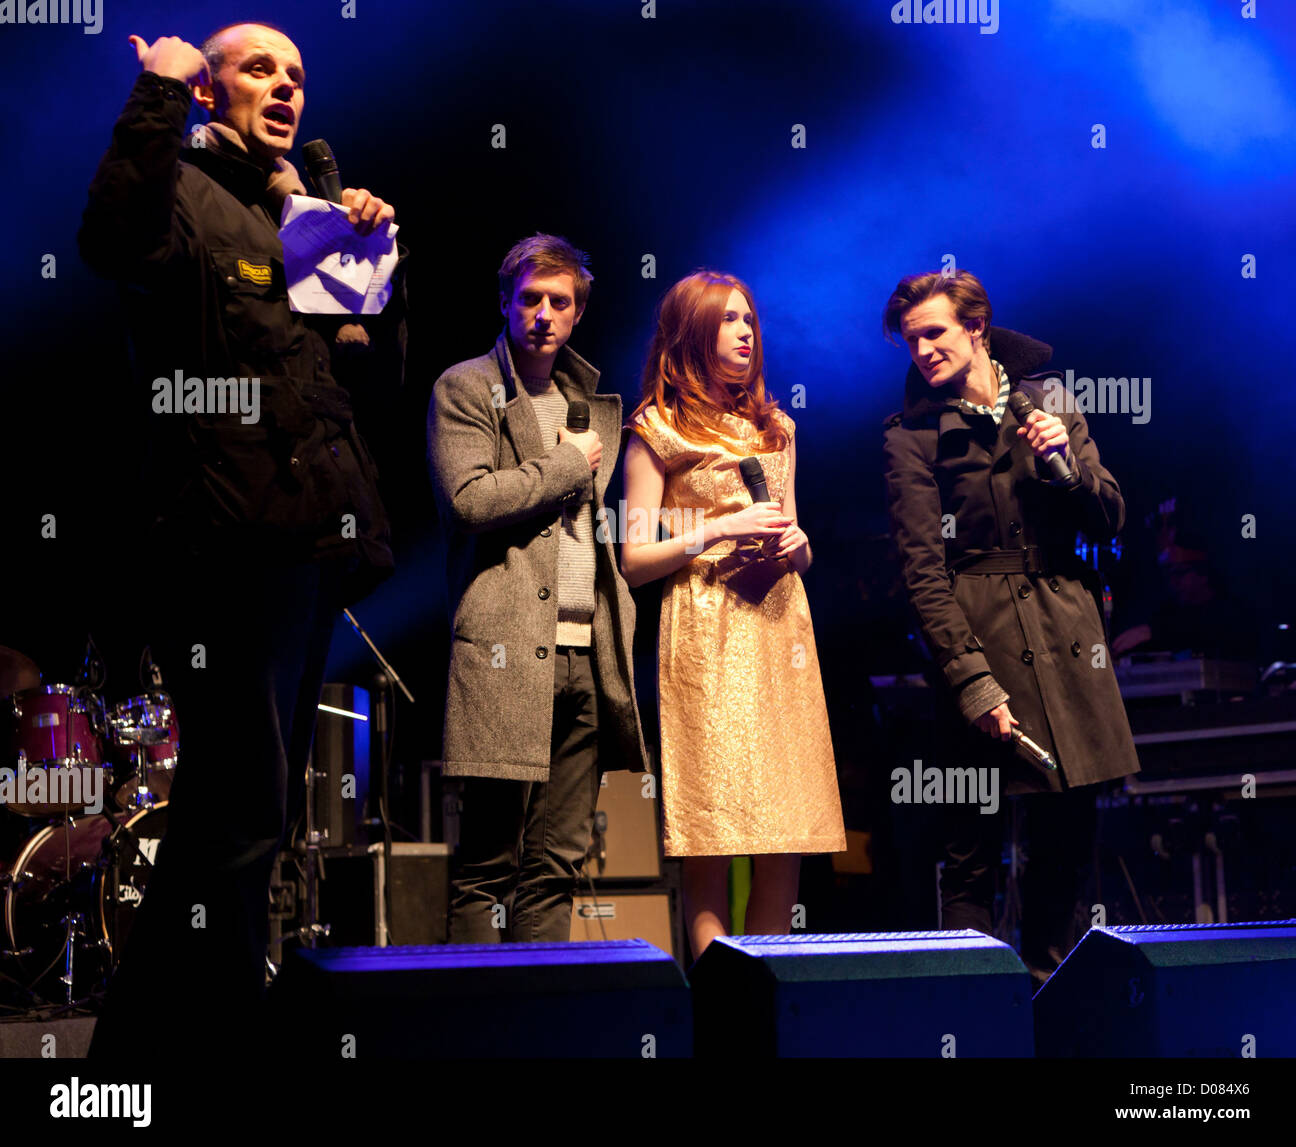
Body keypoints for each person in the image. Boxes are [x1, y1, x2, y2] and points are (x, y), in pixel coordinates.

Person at [79, 23, 403, 1056]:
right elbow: (112, 241)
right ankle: (190, 1045)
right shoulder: (180, 185)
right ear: (212, 87)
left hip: (302, 544)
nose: (286, 88)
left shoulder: (300, 215)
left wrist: (367, 266)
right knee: (239, 816)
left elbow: (362, 384)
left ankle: (151, 1053)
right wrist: (153, 90)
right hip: (218, 539)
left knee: (239, 822)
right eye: (260, 68)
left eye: (299, 75)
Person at [881, 269, 1139, 984]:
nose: (924, 349)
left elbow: (1112, 516)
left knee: (1067, 847)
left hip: (1067, 639)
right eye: (912, 340)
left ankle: (1053, 1005)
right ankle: (978, 1014)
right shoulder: (911, 437)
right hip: (982, 642)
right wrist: (970, 680)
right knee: (970, 848)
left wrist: (1065, 467)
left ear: (976, 328)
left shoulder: (1051, 401)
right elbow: (922, 575)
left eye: (935, 332)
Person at [428, 234, 649, 943]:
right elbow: (469, 501)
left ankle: (538, 1029)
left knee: (557, 865)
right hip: (504, 649)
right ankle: (475, 1031)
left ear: (577, 313)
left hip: (588, 654)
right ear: (504, 302)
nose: (544, 314)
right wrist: (562, 466)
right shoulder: (465, 387)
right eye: (530, 298)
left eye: (560, 301)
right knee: (487, 867)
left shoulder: (591, 404)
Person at [621, 270, 845, 961]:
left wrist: (801, 546)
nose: (745, 333)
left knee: (787, 823)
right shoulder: (656, 427)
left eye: (750, 320)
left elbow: (793, 534)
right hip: (705, 627)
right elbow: (632, 556)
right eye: (727, 320)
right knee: (711, 826)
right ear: (692, 332)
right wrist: (716, 529)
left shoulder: (777, 428)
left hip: (781, 628)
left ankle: (769, 984)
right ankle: (720, 997)